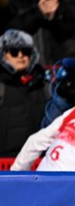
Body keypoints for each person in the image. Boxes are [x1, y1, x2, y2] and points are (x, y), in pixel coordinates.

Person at [0, 29, 49, 157]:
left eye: (26, 51)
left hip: (38, 160)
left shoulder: (43, 83)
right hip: (6, 161)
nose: (21, 56)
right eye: (14, 52)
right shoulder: (1, 85)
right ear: (3, 55)